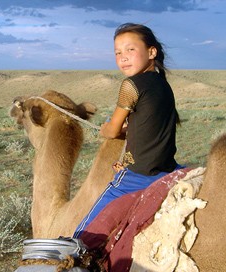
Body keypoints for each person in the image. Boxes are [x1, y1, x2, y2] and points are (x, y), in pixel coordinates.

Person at [73, 23, 183, 238]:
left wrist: (105, 128)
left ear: (151, 52)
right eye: (118, 52)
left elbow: (113, 131)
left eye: (130, 50)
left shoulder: (130, 85)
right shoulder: (162, 83)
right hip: (166, 167)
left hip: (138, 175)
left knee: (82, 236)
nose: (123, 57)